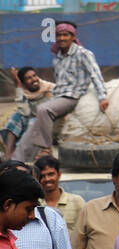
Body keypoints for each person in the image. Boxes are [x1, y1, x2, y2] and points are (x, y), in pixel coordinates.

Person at [13, 21, 109, 163]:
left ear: (72, 36)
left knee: (43, 109)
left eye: (65, 35)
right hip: (58, 98)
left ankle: (46, 149)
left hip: (72, 96)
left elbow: (95, 74)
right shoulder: (57, 58)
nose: (62, 38)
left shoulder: (83, 53)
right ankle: (16, 160)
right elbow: (59, 82)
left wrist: (102, 97)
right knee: (32, 126)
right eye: (59, 35)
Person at [2, 67, 54, 160]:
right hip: (31, 120)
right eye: (29, 78)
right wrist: (18, 86)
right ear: (23, 83)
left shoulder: (48, 88)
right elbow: (24, 112)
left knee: (33, 122)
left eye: (34, 76)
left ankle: (23, 153)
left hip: (47, 123)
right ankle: (9, 152)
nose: (34, 79)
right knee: (17, 116)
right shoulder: (23, 91)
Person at [34, 155, 84, 236]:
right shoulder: (34, 205)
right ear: (37, 178)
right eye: (42, 176)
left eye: (51, 174)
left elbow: (84, 233)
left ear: (59, 174)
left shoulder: (77, 202)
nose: (47, 179)